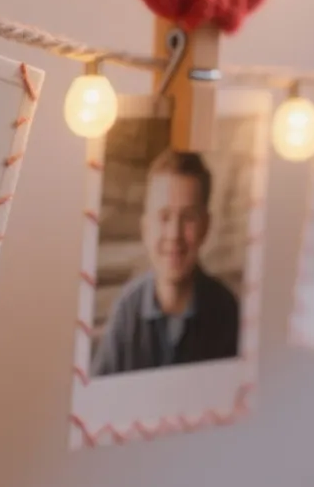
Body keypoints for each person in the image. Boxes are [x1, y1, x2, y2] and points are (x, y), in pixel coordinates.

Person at [91, 149, 240, 375]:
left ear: (206, 226)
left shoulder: (227, 311)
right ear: (145, 228)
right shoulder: (127, 310)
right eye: (164, 217)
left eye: (188, 217)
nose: (174, 234)